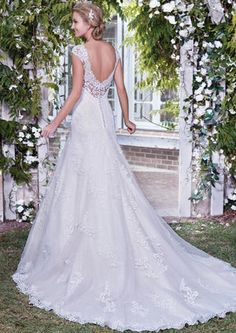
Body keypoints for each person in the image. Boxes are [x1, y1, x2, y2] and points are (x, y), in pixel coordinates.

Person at [12, 2, 236, 332]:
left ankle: (83, 255)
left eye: (75, 21)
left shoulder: (80, 51)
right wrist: (128, 118)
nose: (73, 26)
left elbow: (75, 94)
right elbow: (120, 89)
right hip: (103, 118)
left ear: (89, 22)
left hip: (88, 119)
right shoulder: (113, 51)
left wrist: (53, 123)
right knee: (105, 178)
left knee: (83, 181)